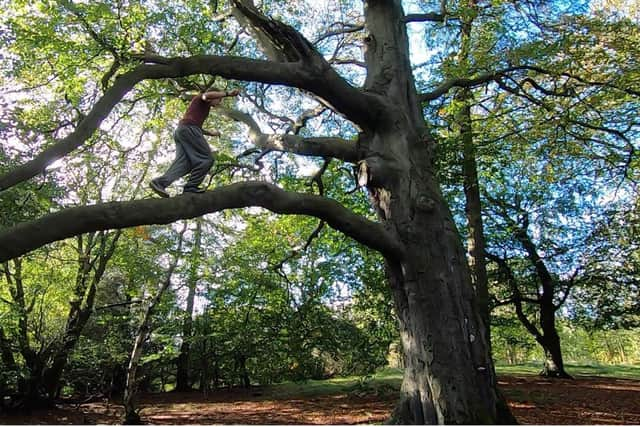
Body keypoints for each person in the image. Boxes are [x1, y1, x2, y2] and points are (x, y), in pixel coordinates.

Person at [150, 88, 240, 197]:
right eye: (219, 99)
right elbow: (206, 96)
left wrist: (210, 133)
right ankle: (191, 187)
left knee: (185, 164)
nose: (220, 102)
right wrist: (228, 93)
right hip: (188, 129)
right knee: (207, 159)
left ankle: (160, 183)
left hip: (182, 130)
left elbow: (196, 126)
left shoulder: (202, 107)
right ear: (215, 96)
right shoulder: (201, 98)